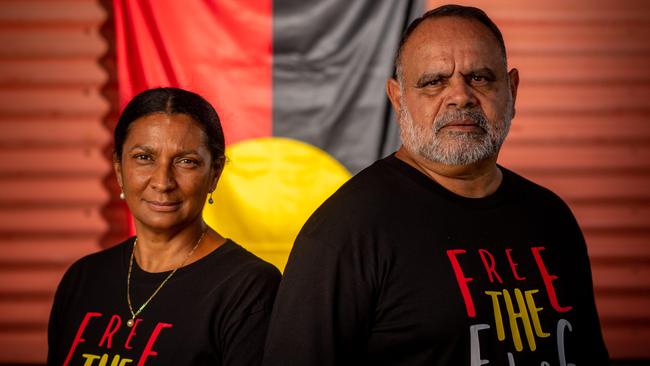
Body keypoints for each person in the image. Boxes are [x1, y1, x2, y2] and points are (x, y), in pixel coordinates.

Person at [262, 5, 609, 365]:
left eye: (480, 78)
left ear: (512, 89)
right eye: (434, 82)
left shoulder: (551, 218)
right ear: (398, 99)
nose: (460, 96)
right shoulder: (345, 232)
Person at [48, 87, 281, 365]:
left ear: (215, 173)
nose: (162, 182)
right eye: (144, 157)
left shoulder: (248, 288)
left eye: (186, 161)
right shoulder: (83, 278)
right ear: (119, 169)